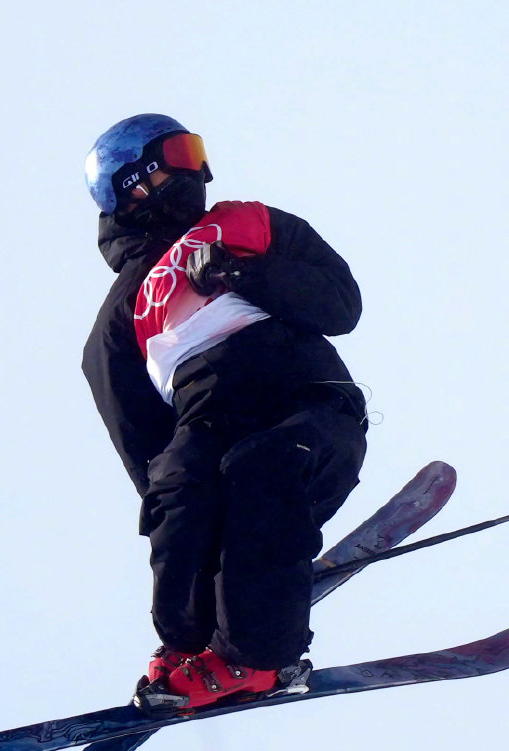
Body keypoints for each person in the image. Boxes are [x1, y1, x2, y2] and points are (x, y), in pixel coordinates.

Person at [80, 114, 369, 710]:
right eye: (178, 156)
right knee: (183, 483)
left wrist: (242, 273)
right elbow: (136, 431)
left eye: (195, 151)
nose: (196, 169)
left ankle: (260, 658)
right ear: (136, 185)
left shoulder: (248, 224)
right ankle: (189, 647)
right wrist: (178, 507)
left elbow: (341, 303)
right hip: (210, 423)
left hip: (310, 409)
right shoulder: (123, 312)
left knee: (260, 466)